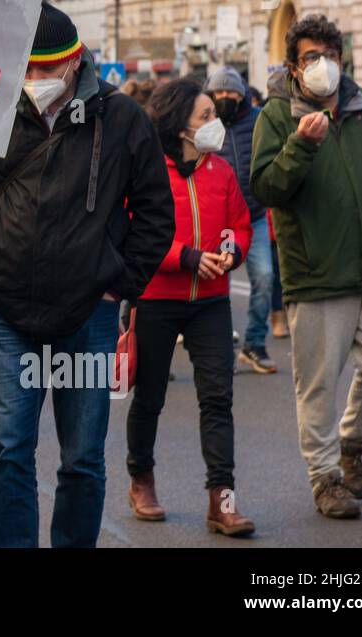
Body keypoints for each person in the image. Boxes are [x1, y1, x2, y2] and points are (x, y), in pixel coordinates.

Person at [0, 3, 174, 548]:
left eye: (46, 70)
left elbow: (155, 213)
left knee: (82, 460)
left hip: (88, 319)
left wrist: (116, 284)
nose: (34, 82)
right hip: (7, 315)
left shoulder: (121, 119)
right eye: (25, 69)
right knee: (8, 453)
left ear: (74, 63)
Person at [251, 14, 362, 519]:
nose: (323, 65)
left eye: (330, 55)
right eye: (311, 57)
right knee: (318, 384)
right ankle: (325, 478)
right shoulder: (277, 117)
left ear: (342, 59)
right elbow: (265, 188)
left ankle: (351, 444)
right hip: (317, 276)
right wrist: (301, 144)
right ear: (294, 66)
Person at [125, 80, 256, 536]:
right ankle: (141, 478)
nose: (213, 124)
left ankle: (222, 500)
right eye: (204, 117)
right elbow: (134, 230)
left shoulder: (220, 170)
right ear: (180, 125)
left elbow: (240, 224)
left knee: (218, 398)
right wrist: (186, 257)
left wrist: (230, 253)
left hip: (212, 303)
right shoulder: (147, 170)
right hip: (158, 299)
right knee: (151, 396)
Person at [204, 67, 283, 366]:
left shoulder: (259, 119)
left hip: (255, 215)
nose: (225, 97)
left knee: (264, 277)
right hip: (219, 220)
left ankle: (254, 342)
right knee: (217, 285)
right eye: (219, 92)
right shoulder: (206, 121)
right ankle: (219, 346)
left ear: (242, 94)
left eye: (231, 92)